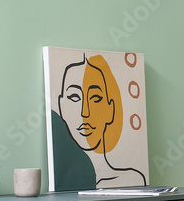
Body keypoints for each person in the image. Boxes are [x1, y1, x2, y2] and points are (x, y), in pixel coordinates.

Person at [57, 54, 146, 187]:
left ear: (110, 109)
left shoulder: (133, 179)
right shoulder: (64, 182)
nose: (84, 112)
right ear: (61, 106)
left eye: (95, 98)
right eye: (75, 97)